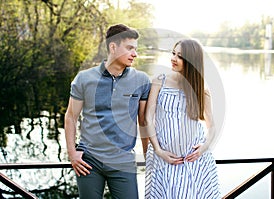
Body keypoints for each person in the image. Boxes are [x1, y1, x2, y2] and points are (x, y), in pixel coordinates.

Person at [64, 24, 151, 199]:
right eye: (129, 48)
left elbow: (143, 121)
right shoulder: (84, 78)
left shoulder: (141, 80)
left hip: (123, 161)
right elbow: (71, 117)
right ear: (113, 47)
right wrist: (72, 153)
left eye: (135, 49)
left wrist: (149, 158)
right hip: (89, 161)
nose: (135, 54)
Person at [145, 39, 221, 199]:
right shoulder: (160, 80)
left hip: (194, 160)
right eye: (173, 53)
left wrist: (204, 147)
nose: (173, 59)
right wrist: (158, 150)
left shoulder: (201, 88)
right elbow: (148, 118)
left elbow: (211, 126)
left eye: (179, 56)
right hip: (165, 158)